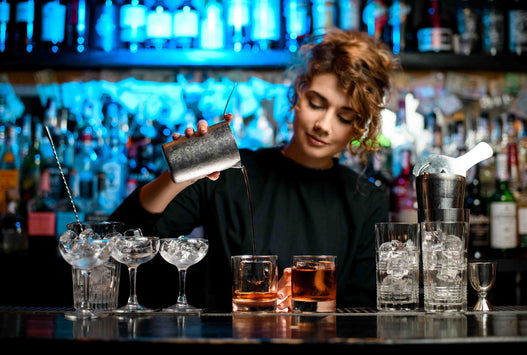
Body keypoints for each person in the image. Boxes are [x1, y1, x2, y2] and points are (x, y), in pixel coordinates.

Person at [110, 28, 399, 312]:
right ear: (297, 93)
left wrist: (308, 299)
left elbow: (364, 309)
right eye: (316, 103)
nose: (324, 125)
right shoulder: (230, 170)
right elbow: (125, 240)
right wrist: (179, 173)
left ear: (360, 127)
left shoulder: (365, 200)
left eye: (344, 117)